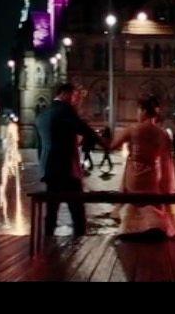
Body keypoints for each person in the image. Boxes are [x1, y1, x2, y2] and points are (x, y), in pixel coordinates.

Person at [35, 83, 111, 237]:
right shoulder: (65, 109)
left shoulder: (42, 115)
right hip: (66, 168)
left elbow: (39, 146)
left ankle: (47, 243)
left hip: (50, 169)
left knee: (52, 210)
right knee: (77, 210)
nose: (74, 100)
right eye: (73, 95)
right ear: (64, 93)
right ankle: (79, 243)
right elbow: (82, 127)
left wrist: (44, 167)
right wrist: (102, 142)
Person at [109, 96, 175, 239]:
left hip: (133, 177)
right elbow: (165, 161)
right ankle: (153, 227)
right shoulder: (161, 133)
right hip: (151, 177)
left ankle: (130, 229)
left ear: (143, 110)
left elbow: (111, 146)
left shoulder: (132, 129)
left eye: (138, 110)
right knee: (151, 203)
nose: (136, 114)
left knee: (133, 202)